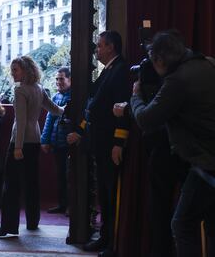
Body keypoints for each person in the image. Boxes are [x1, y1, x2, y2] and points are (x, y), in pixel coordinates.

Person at [130, 31, 215, 257]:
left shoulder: (178, 80)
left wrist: (136, 96)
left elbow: (146, 119)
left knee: (182, 224)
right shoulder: (208, 64)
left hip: (204, 163)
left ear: (159, 60)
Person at [67, 30, 131, 257]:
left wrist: (118, 142)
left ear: (111, 47)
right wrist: (80, 130)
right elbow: (93, 108)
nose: (96, 50)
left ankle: (113, 243)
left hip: (110, 145)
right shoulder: (109, 71)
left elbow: (122, 110)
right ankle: (105, 238)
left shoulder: (121, 71)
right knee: (104, 194)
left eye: (99, 46)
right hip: (99, 143)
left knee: (112, 194)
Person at [0, 56, 64, 238]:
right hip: (35, 140)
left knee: (11, 185)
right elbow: (55, 109)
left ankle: (8, 227)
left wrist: (17, 148)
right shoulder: (39, 88)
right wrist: (68, 108)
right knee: (32, 183)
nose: (12, 73)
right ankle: (33, 222)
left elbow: (21, 121)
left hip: (21, 141)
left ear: (25, 71)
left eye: (15, 69)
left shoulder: (20, 90)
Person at [41, 67, 72, 214]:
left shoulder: (76, 96)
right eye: (57, 79)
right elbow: (49, 120)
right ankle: (62, 204)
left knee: (70, 176)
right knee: (60, 176)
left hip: (70, 143)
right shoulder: (56, 97)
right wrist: (45, 140)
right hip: (56, 143)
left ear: (70, 79)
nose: (58, 82)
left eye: (61, 79)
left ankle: (71, 206)